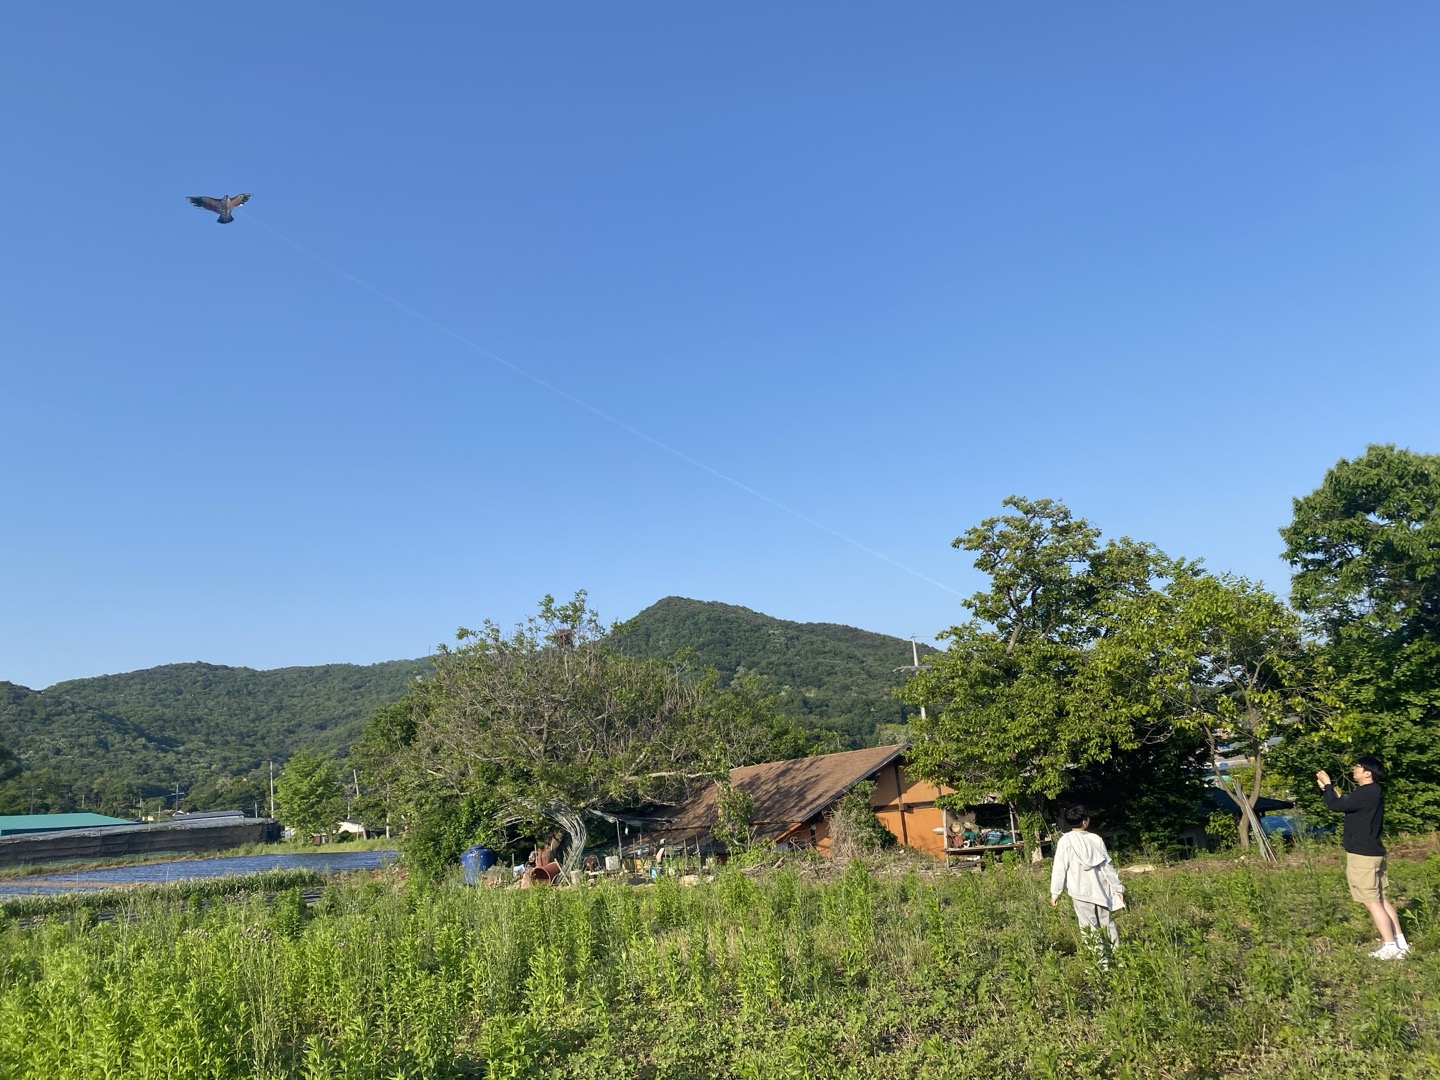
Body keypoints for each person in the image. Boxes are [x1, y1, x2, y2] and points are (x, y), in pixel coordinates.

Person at [1317, 756, 1409, 959]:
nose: (1354, 769)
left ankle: (1390, 946)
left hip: (1362, 855)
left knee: (1371, 901)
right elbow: (1343, 803)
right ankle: (1400, 941)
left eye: (1358, 767)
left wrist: (1328, 784)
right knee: (1381, 899)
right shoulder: (1372, 793)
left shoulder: (1366, 792)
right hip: (1374, 853)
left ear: (1368, 772)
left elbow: (1335, 806)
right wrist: (1328, 790)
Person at [1050, 805, 1126, 962]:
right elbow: (1107, 866)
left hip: (1080, 891)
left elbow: (1059, 867)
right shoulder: (1095, 839)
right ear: (1085, 822)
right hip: (1101, 890)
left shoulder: (1065, 841)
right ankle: (1118, 959)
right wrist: (1118, 888)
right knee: (1108, 924)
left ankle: (1101, 963)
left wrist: (1055, 892)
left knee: (1088, 927)